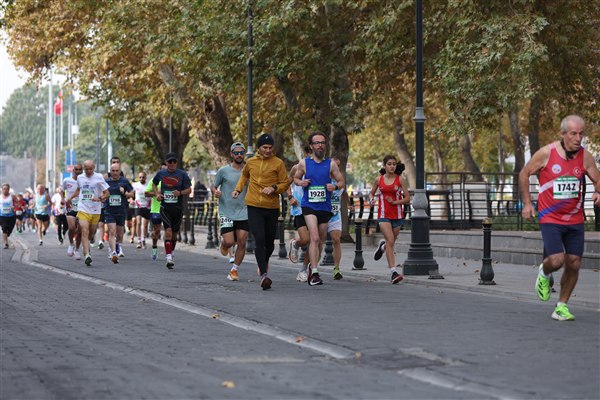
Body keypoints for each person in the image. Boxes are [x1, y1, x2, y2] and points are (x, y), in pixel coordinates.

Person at [519, 115, 600, 321]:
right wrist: (527, 203)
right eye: (573, 134)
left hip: (575, 219)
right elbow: (524, 173)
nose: (578, 138)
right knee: (556, 260)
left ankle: (561, 306)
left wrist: (598, 191)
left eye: (581, 134)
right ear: (563, 134)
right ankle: (544, 273)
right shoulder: (547, 153)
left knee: (574, 263)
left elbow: (597, 179)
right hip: (550, 217)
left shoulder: (585, 157)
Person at [233, 133, 289, 290]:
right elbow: (244, 177)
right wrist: (238, 190)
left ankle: (263, 261)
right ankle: (264, 275)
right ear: (259, 148)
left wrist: (274, 188)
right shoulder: (251, 162)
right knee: (259, 239)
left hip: (271, 207)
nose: (268, 150)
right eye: (265, 147)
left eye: (270, 147)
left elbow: (284, 183)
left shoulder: (278, 163)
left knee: (269, 243)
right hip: (254, 206)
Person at [293, 132, 345, 286]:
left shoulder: (331, 164)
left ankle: (310, 268)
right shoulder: (304, 163)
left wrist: (335, 186)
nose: (320, 145)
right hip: (309, 205)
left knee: (320, 240)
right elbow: (295, 178)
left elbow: (341, 181)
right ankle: (315, 273)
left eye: (322, 142)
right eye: (317, 143)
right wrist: (301, 183)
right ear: (311, 146)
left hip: (325, 207)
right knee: (314, 238)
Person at [211, 142, 249, 281]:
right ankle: (223, 244)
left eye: (241, 153)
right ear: (232, 154)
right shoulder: (223, 171)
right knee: (229, 241)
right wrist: (215, 192)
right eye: (236, 153)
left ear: (244, 154)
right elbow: (213, 186)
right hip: (226, 210)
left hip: (244, 211)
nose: (239, 155)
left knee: (242, 242)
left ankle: (234, 270)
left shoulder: (249, 170)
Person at [369, 155, 410, 284]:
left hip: (397, 215)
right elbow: (371, 193)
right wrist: (371, 199)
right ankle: (393, 272)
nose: (392, 166)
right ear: (384, 166)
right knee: (391, 240)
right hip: (383, 214)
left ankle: (383, 247)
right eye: (389, 164)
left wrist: (395, 202)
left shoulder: (400, 179)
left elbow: (407, 198)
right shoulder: (378, 179)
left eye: (394, 164)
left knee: (390, 243)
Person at [152, 152, 192, 269]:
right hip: (165, 208)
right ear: (166, 162)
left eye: (174, 161)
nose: (172, 163)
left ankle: (171, 251)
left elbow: (189, 189)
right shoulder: (161, 173)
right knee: (168, 232)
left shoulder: (182, 174)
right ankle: (168, 257)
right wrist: (157, 194)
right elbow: (154, 183)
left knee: (174, 235)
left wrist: (180, 192)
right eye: (170, 161)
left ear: (177, 162)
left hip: (178, 209)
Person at [66, 159, 109, 267]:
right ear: (83, 169)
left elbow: (107, 193)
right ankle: (87, 255)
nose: (89, 171)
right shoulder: (80, 178)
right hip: (83, 208)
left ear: (94, 168)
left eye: (91, 169)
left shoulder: (99, 177)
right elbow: (78, 190)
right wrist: (70, 198)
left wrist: (100, 198)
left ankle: (87, 244)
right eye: (86, 169)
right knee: (84, 230)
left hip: (95, 210)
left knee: (91, 233)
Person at [287, 145, 312, 282]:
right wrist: (290, 197)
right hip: (300, 209)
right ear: (306, 153)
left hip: (315, 208)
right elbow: (286, 184)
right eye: (310, 153)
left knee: (314, 242)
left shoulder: (321, 169)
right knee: (306, 239)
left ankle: (304, 270)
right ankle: (296, 243)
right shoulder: (296, 168)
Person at [104, 164, 134, 263]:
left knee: (120, 233)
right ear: (110, 171)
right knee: (112, 231)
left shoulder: (124, 181)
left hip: (121, 210)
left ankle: (118, 247)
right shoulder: (106, 182)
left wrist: (125, 193)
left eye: (117, 171)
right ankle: (113, 252)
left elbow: (132, 194)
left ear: (119, 171)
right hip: (109, 210)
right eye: (113, 171)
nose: (115, 173)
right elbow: (101, 193)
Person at [145, 163, 167, 260]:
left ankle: (169, 252)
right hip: (156, 209)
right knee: (156, 231)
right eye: (163, 170)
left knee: (168, 231)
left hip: (168, 209)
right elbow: (146, 193)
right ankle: (154, 247)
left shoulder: (172, 181)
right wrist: (157, 193)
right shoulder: (154, 181)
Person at [328, 156, 345, 280]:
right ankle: (312, 268)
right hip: (322, 214)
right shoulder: (323, 179)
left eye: (338, 166)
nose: (336, 168)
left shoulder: (341, 181)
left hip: (335, 215)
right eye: (335, 165)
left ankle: (336, 268)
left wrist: (350, 206)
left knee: (336, 240)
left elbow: (344, 194)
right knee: (316, 241)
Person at [63, 163, 83, 259]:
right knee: (71, 227)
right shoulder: (67, 180)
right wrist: (64, 199)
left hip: (82, 207)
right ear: (73, 170)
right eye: (76, 169)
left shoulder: (85, 181)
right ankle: (71, 244)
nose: (78, 171)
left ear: (82, 170)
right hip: (71, 207)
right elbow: (62, 190)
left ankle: (77, 249)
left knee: (80, 230)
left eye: (80, 169)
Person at [133, 171, 151, 249]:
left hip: (147, 206)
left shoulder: (149, 185)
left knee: (145, 225)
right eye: (140, 177)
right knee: (138, 223)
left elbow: (152, 193)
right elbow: (131, 192)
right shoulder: (135, 185)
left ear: (145, 178)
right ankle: (139, 240)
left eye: (143, 177)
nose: (141, 178)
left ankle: (143, 239)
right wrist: (131, 199)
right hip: (138, 206)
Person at [0, 183, 18, 249]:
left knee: (9, 230)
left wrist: (14, 206)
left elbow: (18, 203)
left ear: (9, 189)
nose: (5, 190)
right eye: (4, 189)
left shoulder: (12, 196)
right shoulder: (0, 196)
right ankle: (6, 243)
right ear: (2, 189)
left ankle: (6, 236)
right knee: (4, 228)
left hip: (11, 216)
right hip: (2, 216)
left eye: (6, 189)